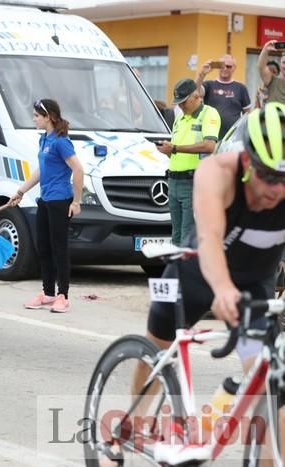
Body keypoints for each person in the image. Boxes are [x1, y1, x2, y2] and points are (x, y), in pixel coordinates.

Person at [130, 102, 285, 465]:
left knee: (270, 384)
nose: (275, 190)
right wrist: (223, 288)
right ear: (247, 162)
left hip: (255, 286)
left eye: (284, 179)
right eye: (267, 177)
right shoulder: (217, 173)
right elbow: (211, 238)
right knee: (157, 346)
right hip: (196, 273)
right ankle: (130, 428)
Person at [11, 99, 83, 313]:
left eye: (36, 116)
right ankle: (48, 292)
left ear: (48, 116)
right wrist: (21, 191)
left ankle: (63, 296)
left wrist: (76, 201)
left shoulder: (61, 142)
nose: (34, 119)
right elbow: (41, 170)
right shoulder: (45, 140)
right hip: (45, 200)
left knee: (59, 248)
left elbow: (78, 170)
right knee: (43, 247)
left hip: (61, 201)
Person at [156, 79, 220, 246]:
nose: (181, 106)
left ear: (196, 96)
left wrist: (175, 148)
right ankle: (177, 271)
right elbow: (177, 152)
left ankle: (187, 270)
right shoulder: (180, 118)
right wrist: (169, 150)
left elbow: (209, 146)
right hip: (174, 181)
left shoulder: (209, 114)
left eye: (183, 102)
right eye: (178, 103)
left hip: (193, 182)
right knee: (176, 235)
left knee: (187, 235)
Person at [195, 54, 250, 139]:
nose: (225, 69)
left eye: (228, 66)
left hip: (232, 138)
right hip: (210, 136)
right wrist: (201, 74)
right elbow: (196, 93)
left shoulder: (241, 88)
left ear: (234, 68)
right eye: (222, 66)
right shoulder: (209, 85)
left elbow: (248, 114)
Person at [258, 40, 285, 105]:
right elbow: (261, 67)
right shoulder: (273, 81)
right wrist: (266, 49)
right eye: (284, 62)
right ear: (280, 64)